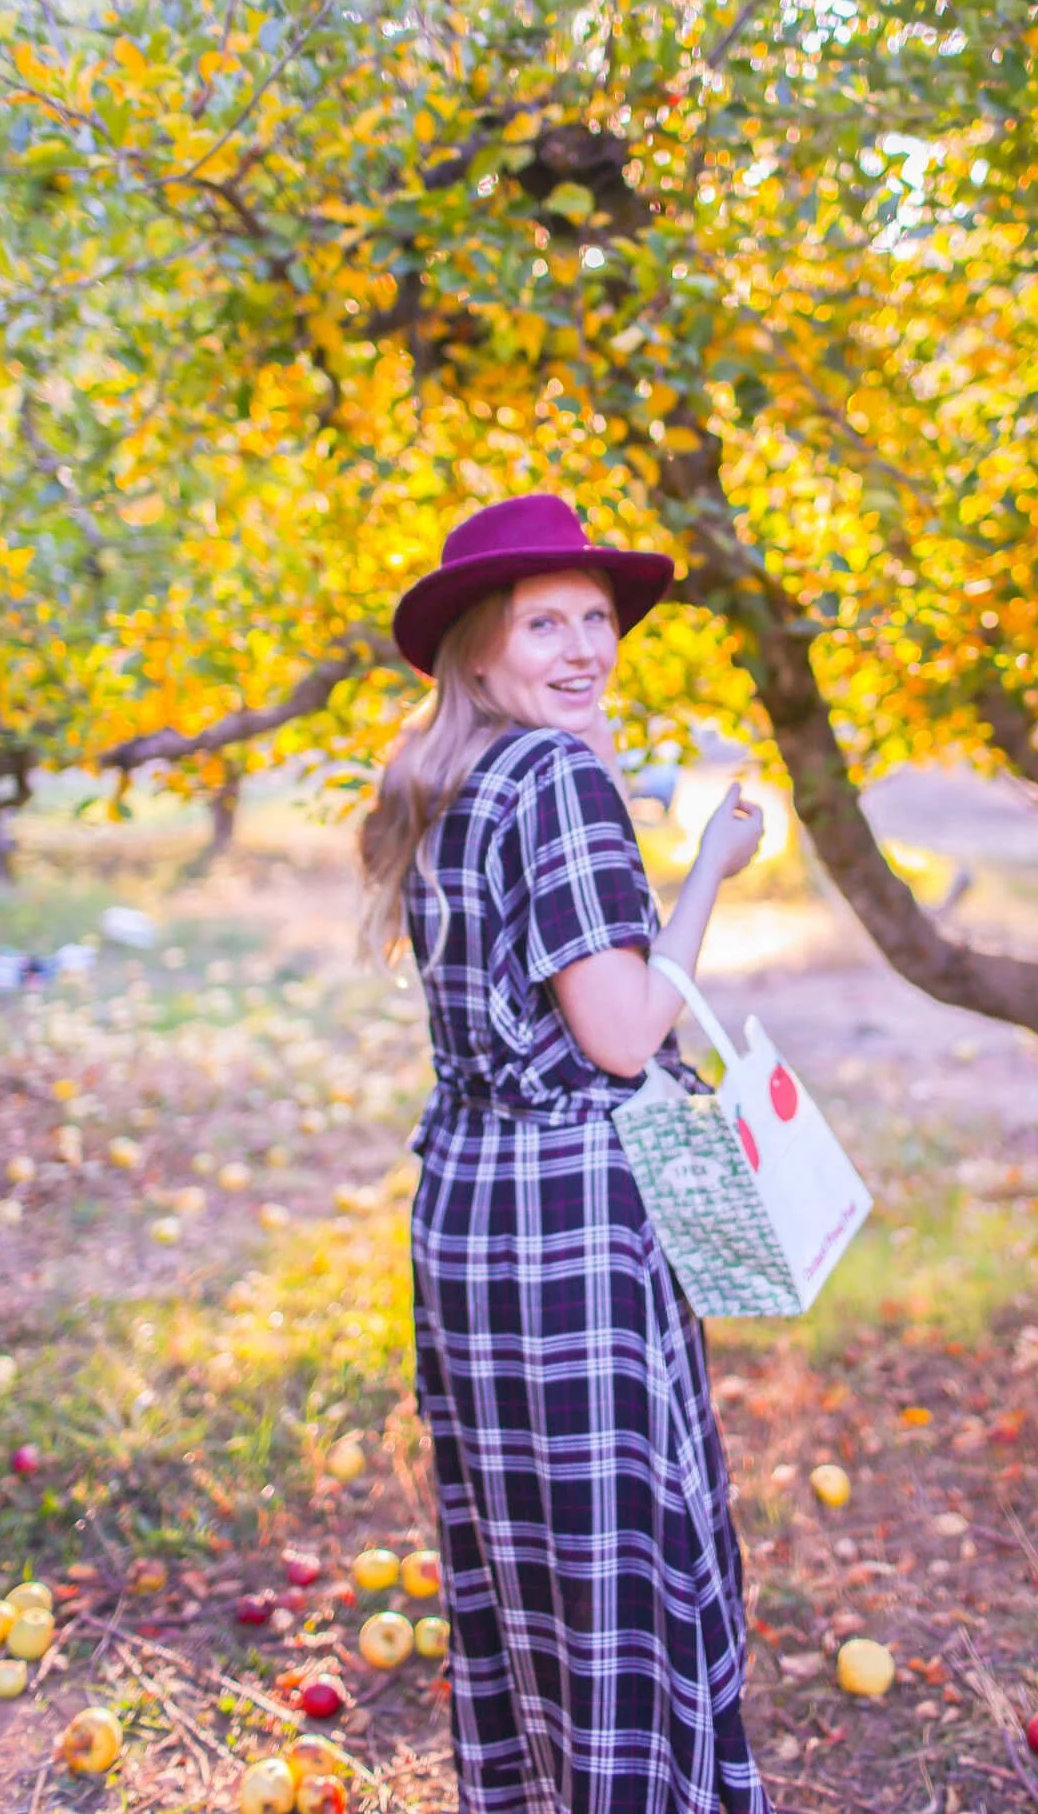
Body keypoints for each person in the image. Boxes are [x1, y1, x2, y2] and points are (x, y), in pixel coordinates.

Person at [359, 494, 772, 1814]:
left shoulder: (442, 784)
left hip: (471, 1212)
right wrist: (709, 870)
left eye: (599, 621)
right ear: (479, 647)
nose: (585, 645)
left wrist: (589, 750)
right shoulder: (562, 783)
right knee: (621, 1576)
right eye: (546, 622)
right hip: (575, 1224)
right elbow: (621, 1032)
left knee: (527, 1578)